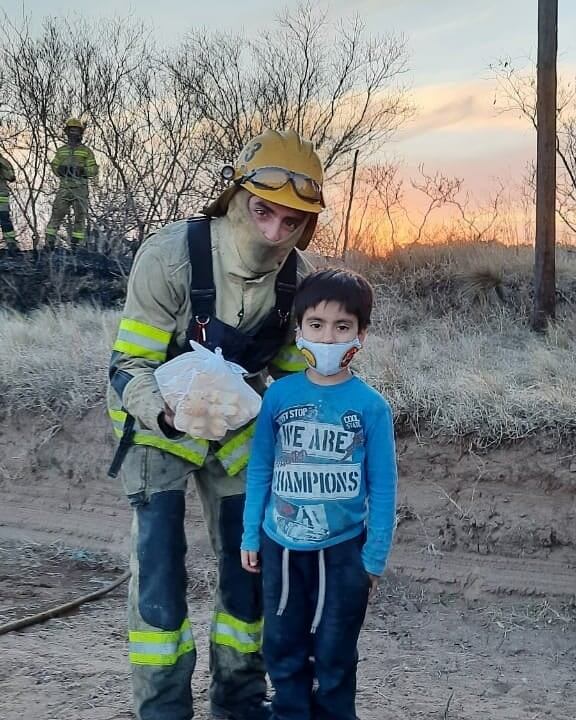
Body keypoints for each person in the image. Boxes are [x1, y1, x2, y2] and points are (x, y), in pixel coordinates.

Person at [107, 128, 324, 720]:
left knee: (246, 564)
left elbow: (291, 374)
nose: (274, 233)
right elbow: (129, 365)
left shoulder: (299, 283)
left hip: (236, 431)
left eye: (292, 222)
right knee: (159, 567)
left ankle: (239, 699)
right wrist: (168, 412)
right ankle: (163, 705)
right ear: (234, 198)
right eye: (263, 212)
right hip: (158, 425)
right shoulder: (170, 256)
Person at [241, 268, 398, 720]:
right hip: (282, 545)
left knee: (334, 652)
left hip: (344, 550)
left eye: (342, 326)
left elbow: (383, 487)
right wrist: (252, 534)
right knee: (282, 645)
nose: (328, 338)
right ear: (299, 330)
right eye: (316, 325)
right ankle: (289, 713)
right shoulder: (278, 397)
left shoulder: (371, 406)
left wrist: (374, 558)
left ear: (360, 334)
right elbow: (261, 470)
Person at [45, 117, 98, 248]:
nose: (73, 133)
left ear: (80, 133)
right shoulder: (61, 150)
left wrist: (82, 171)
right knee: (56, 215)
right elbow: (54, 165)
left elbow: (94, 169)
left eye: (76, 131)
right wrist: (59, 170)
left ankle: (76, 245)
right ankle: (49, 242)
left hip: (80, 189)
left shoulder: (86, 151)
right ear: (67, 132)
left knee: (80, 217)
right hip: (64, 188)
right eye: (71, 130)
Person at [0, 152, 17, 250]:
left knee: (4, 220)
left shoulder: (3, 162)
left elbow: (11, 177)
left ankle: (11, 245)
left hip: (1, 196)